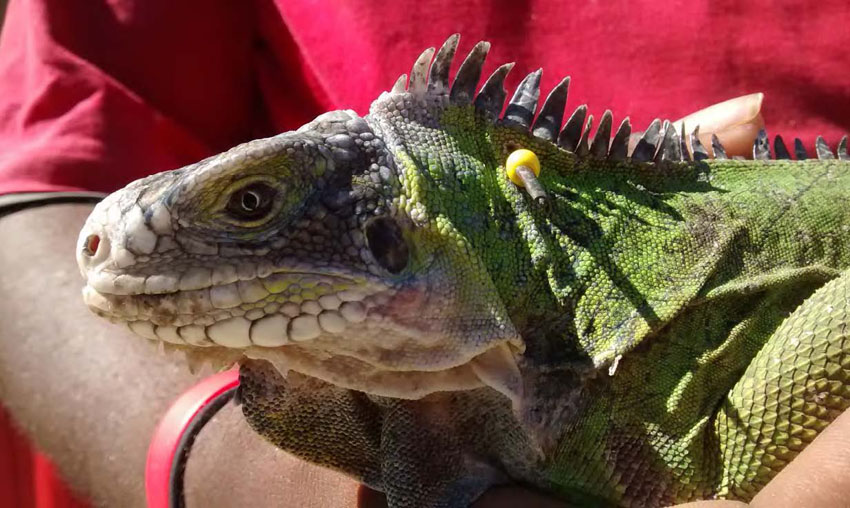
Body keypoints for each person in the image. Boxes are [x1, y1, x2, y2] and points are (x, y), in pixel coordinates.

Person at [0, 1, 848, 506]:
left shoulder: (639, 372)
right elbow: (37, 192)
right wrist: (228, 471)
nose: (108, 251)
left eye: (252, 207)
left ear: (390, 235)